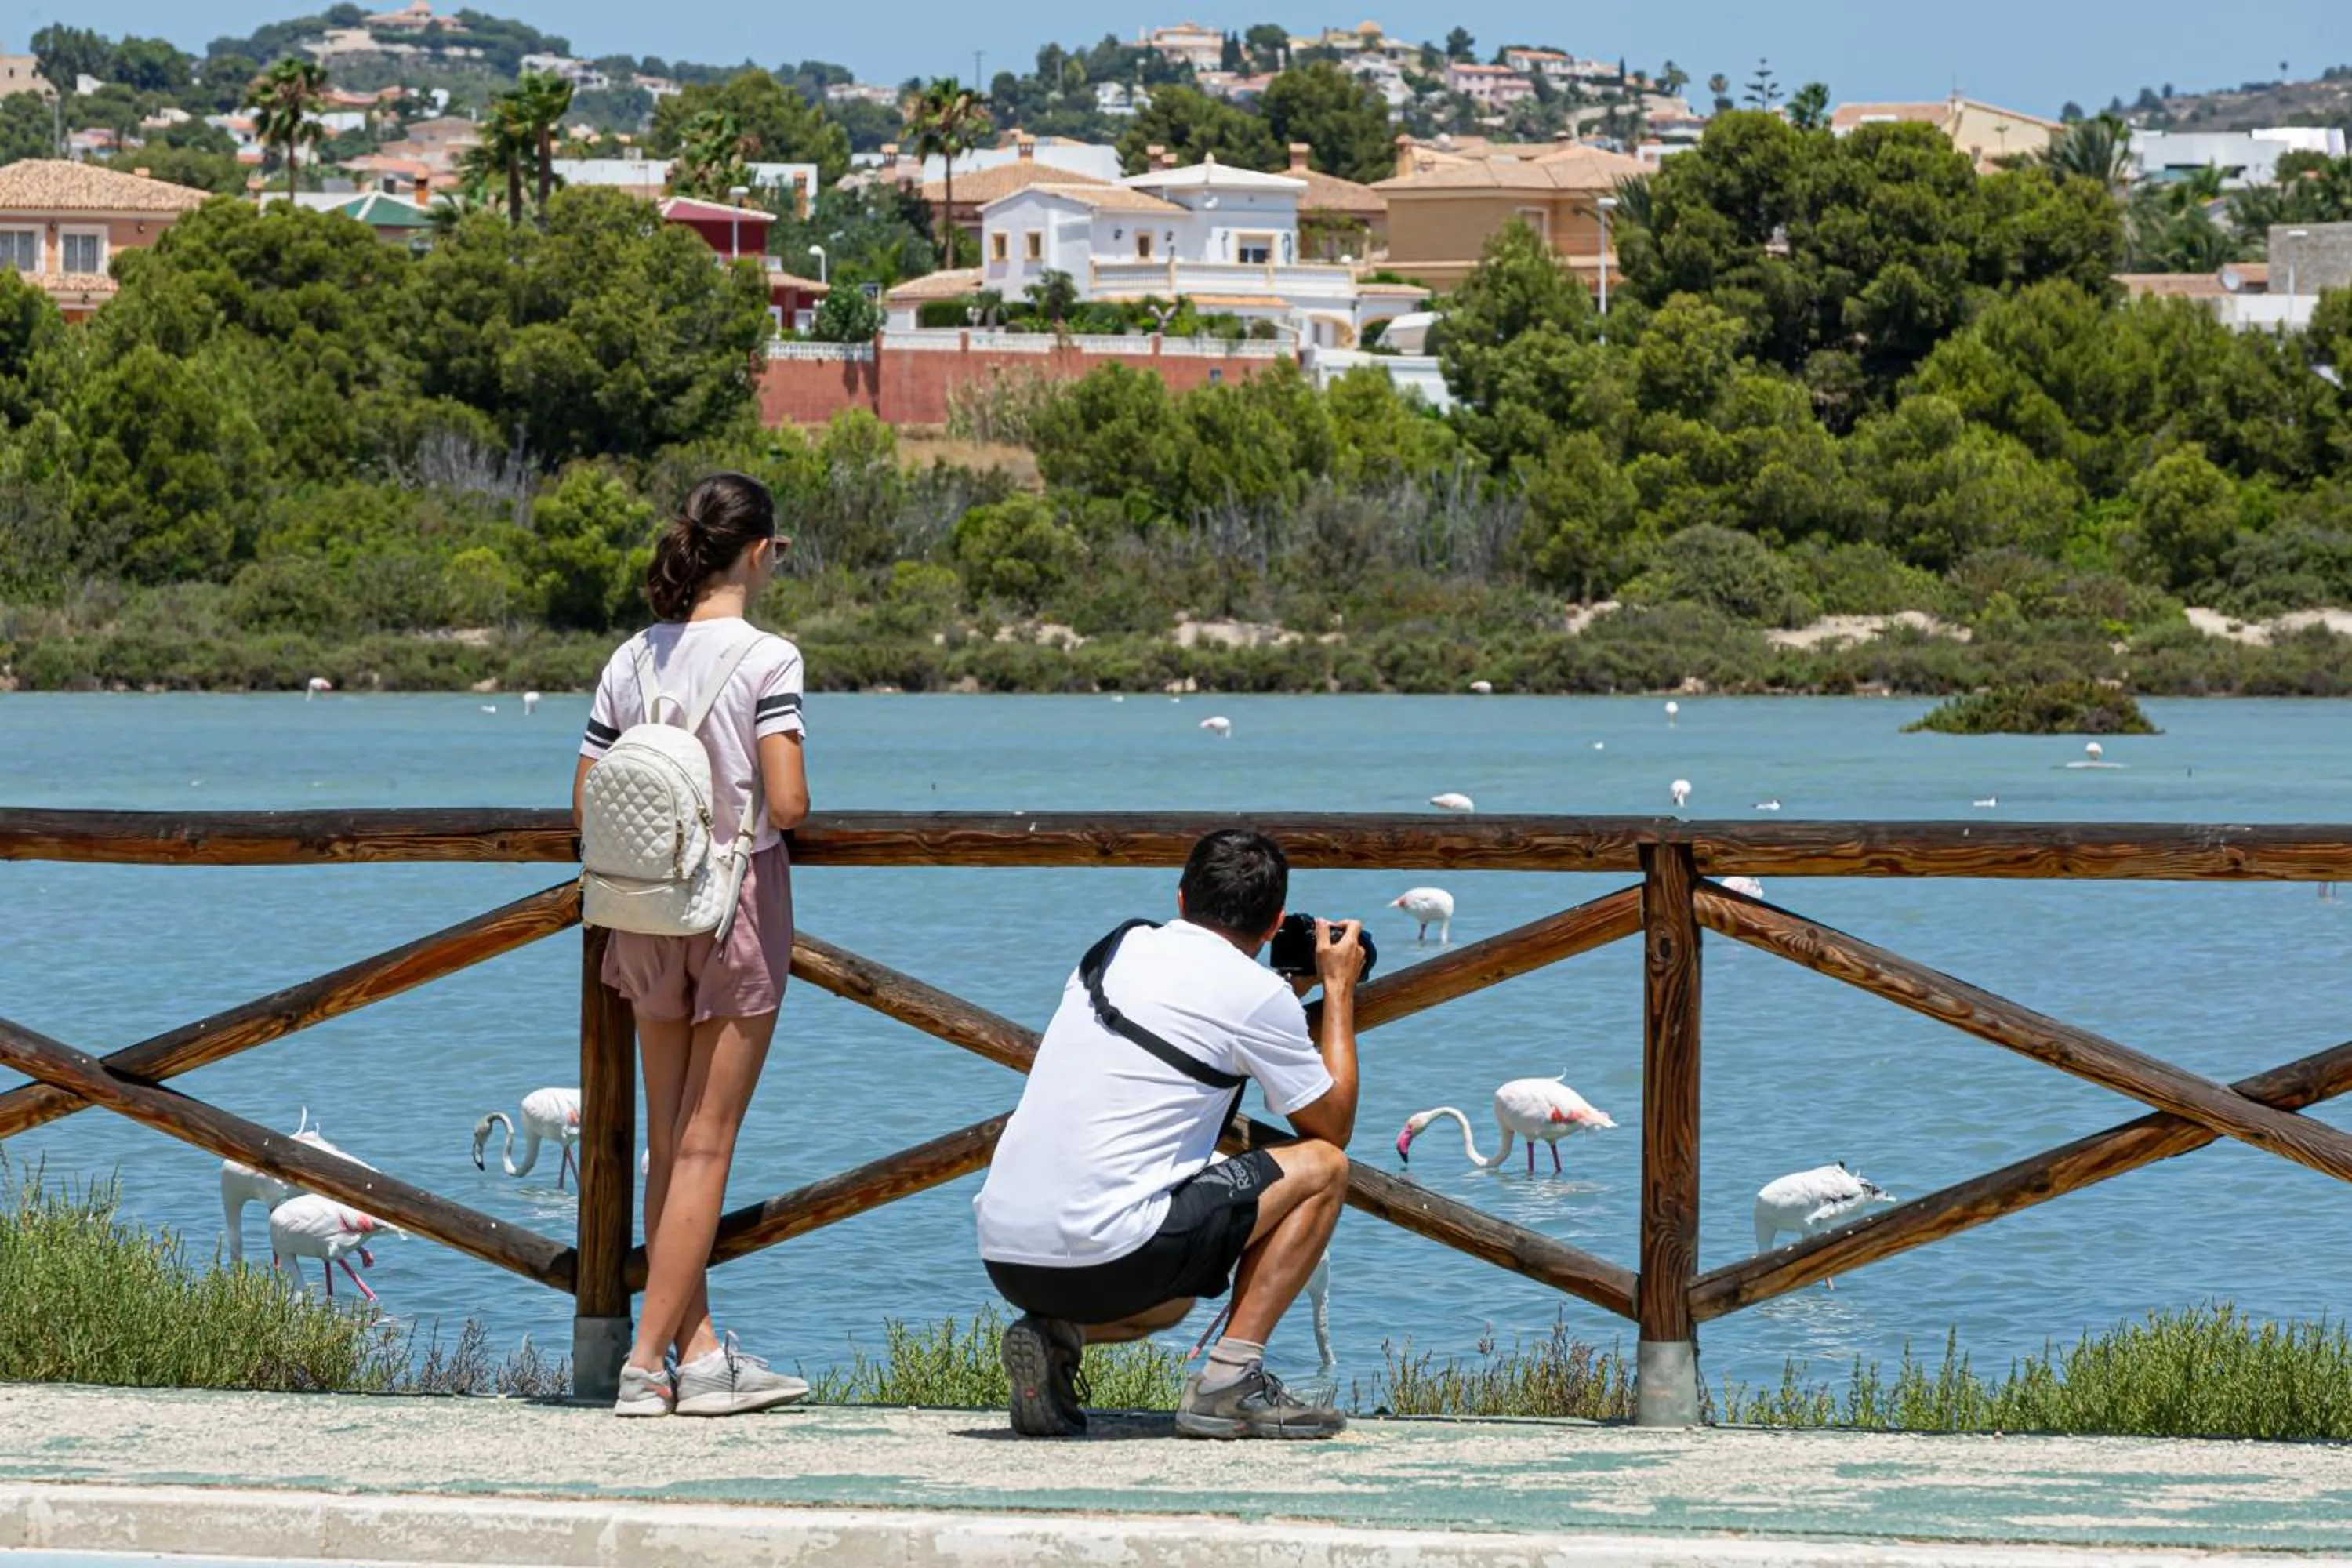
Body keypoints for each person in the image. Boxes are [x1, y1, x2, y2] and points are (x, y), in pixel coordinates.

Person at [973, 829, 1363, 1439]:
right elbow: (1330, 1127)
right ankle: (1229, 1383)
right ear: (1275, 924)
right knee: (1324, 1169)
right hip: (1116, 1255)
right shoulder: (1260, 997)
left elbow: (1197, 1015)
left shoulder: (1117, 946)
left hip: (1007, 1254)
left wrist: (1282, 1001)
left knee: (1174, 1304)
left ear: (1181, 900)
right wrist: (1337, 992)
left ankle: (1055, 1335)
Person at [572, 472, 811, 1419]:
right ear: (758, 552)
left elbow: (586, 798)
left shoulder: (628, 659)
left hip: (640, 910)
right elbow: (787, 804)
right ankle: (645, 1364)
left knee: (670, 1143)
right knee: (708, 1144)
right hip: (735, 901)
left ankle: (701, 1353)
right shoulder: (769, 658)